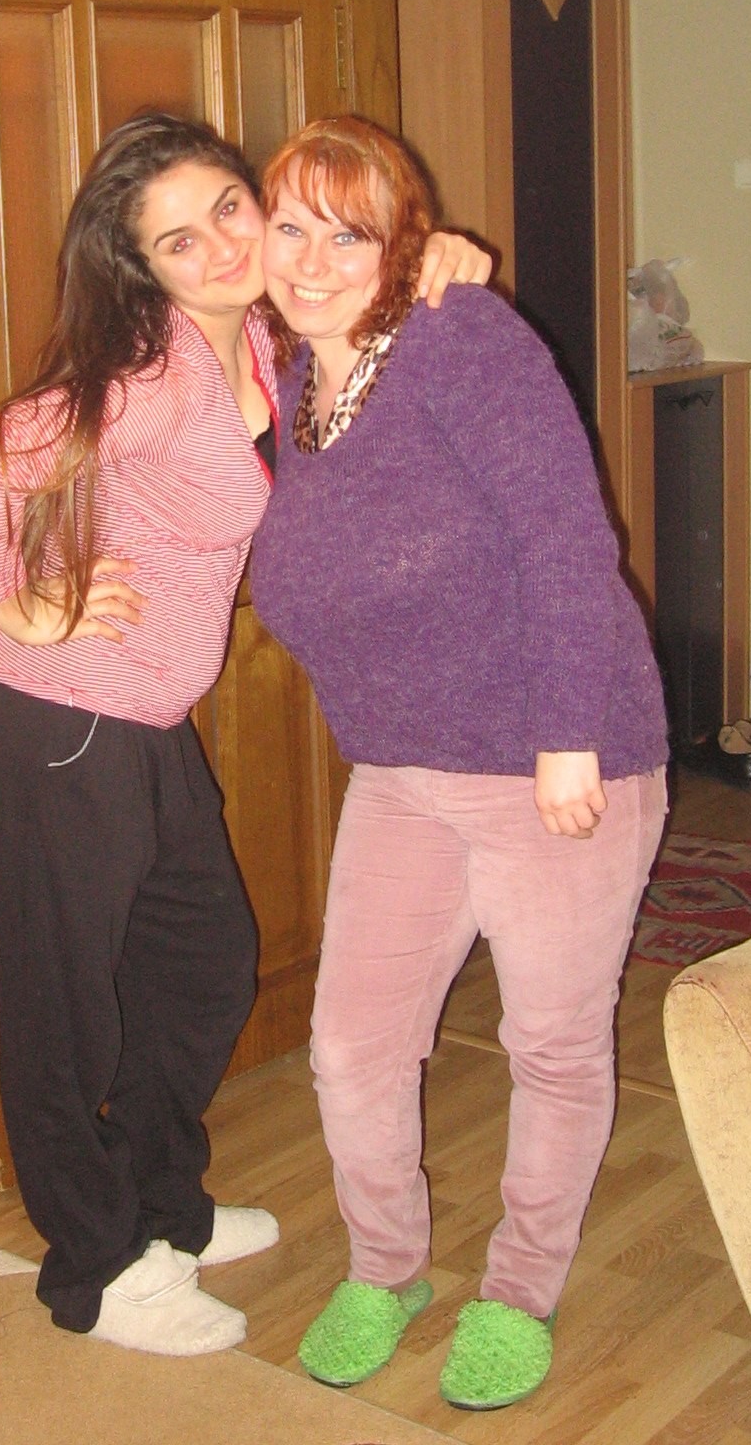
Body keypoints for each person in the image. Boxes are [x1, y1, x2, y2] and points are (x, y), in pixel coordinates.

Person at [0, 111, 489, 1359]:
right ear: (146, 268)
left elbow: (377, 308)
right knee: (66, 1006)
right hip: (58, 722)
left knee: (204, 963)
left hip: (146, 722)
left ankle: (163, 1204)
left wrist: (439, 256)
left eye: (229, 207)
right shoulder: (150, 373)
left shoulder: (271, 340)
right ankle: (95, 1266)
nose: (224, 245)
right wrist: (10, 595)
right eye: (180, 240)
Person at [247, 115, 668, 1412]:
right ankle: (386, 1267)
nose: (312, 260)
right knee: (351, 1044)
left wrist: (568, 735)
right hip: (402, 770)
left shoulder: (461, 339)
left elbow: (563, 537)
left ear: (403, 247)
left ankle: (520, 1290)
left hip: (558, 760)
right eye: (291, 227)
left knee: (552, 1044)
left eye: (351, 235)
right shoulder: (283, 369)